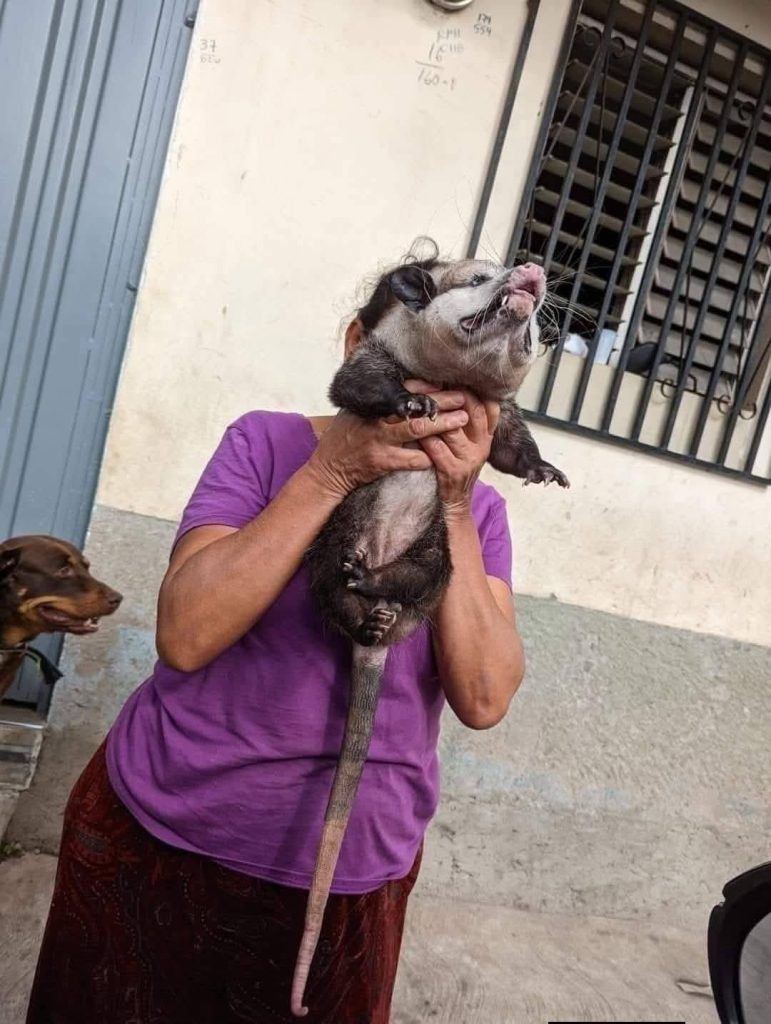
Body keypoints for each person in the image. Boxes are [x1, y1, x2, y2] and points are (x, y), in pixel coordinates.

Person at [25, 315, 524, 1024]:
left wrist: (453, 503)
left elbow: (484, 697)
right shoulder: (264, 444)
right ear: (362, 344)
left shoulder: (480, 512)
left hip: (352, 864)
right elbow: (186, 636)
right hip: (162, 826)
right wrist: (332, 472)